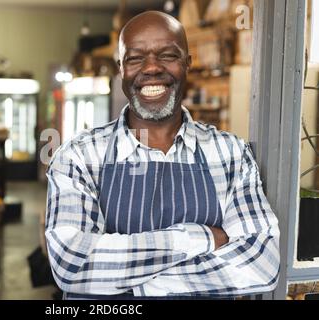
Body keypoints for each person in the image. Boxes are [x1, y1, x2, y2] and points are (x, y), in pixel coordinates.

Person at [45, 11, 280, 300]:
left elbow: (260, 264)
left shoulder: (231, 154)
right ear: (121, 68)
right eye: (135, 58)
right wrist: (200, 238)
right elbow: (73, 264)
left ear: (187, 64)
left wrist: (141, 287)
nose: (152, 68)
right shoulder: (79, 157)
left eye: (168, 55)